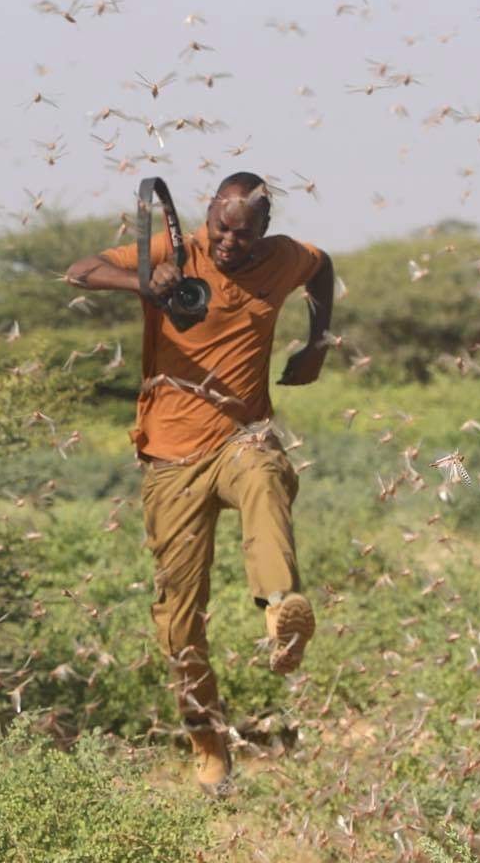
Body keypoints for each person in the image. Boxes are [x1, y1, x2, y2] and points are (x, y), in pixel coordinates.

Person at [66, 171, 334, 796]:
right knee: (179, 620)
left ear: (262, 232)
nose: (227, 244)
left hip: (239, 437)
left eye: (242, 236)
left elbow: (322, 268)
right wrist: (146, 284)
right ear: (207, 214)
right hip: (169, 460)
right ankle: (208, 742)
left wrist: (318, 341)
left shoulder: (284, 257)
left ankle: (279, 610)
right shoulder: (174, 252)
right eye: (219, 228)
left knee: (266, 472)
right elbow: (80, 271)